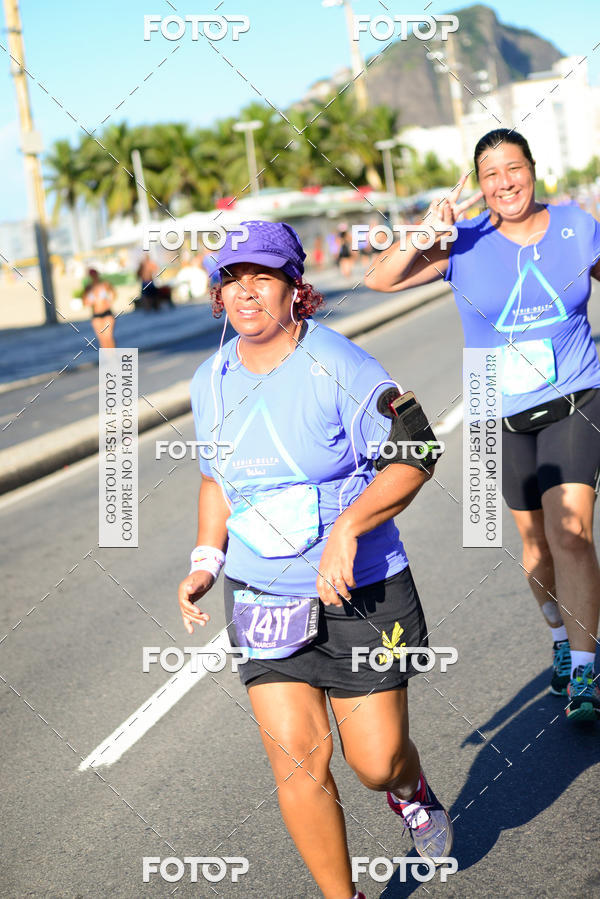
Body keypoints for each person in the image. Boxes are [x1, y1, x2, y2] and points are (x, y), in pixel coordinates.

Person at [179, 221, 453, 898]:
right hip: (261, 592)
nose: (247, 293)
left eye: (263, 278)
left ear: (296, 289)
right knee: (299, 761)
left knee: (375, 759)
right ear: (220, 295)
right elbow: (217, 479)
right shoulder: (208, 381)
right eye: (233, 279)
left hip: (361, 590)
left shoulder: (342, 364)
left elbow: (417, 449)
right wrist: (207, 558)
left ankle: (410, 787)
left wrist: (352, 524)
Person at [365, 128, 600, 722]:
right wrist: (427, 228)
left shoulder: (576, 225)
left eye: (513, 168)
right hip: (498, 411)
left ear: (532, 169)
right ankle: (558, 638)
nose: (505, 182)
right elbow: (379, 280)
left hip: (577, 395)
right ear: (479, 186)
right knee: (536, 546)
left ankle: (585, 671)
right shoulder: (461, 243)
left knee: (571, 532)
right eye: (491, 175)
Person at [82, 268, 116, 349]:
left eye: (94, 275)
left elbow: (114, 294)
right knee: (102, 339)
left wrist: (109, 300)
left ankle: (113, 356)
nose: (94, 277)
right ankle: (107, 358)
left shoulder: (105, 284)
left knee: (108, 337)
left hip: (107, 313)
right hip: (96, 315)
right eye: (91, 275)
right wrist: (90, 301)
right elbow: (84, 302)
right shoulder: (88, 288)